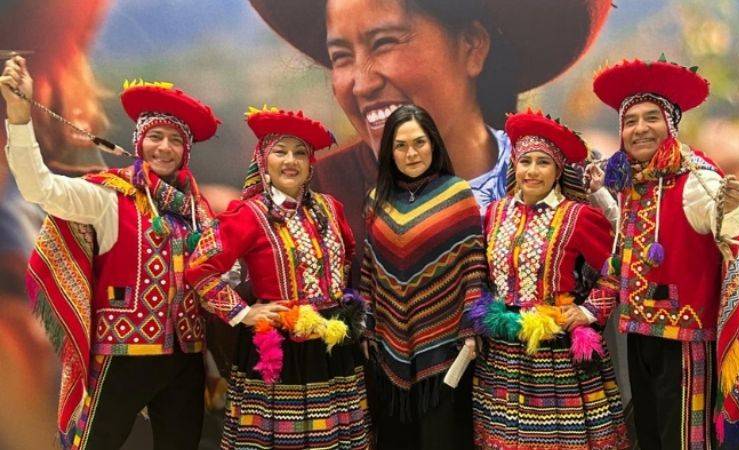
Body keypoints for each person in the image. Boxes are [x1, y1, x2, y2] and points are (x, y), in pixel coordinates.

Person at [250, 0, 613, 280]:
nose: (361, 84)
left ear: (472, 46)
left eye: (384, 43)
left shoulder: (572, 187)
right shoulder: (316, 199)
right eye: (341, 57)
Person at [2, 56, 220, 449]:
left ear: (185, 151)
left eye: (175, 140)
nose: (164, 148)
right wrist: (19, 118)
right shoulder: (108, 196)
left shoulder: (197, 210)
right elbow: (39, 188)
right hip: (122, 353)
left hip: (186, 356)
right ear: (139, 142)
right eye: (156, 136)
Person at [590, 57, 739, 449]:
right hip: (639, 333)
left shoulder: (695, 178)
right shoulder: (634, 183)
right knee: (648, 433)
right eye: (630, 121)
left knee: (683, 439)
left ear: (671, 125)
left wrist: (729, 206)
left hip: (684, 340)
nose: (640, 128)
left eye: (651, 118)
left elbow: (727, 220)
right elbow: (626, 240)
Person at [185, 106, 370, 449]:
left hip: (332, 344)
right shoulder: (247, 214)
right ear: (263, 160)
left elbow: (345, 259)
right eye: (280, 152)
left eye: (300, 153)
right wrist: (243, 312)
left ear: (310, 164)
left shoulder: (331, 208)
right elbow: (200, 269)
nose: (290, 161)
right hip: (280, 349)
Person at [470, 109, 628, 449]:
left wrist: (589, 311)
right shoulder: (495, 213)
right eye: (525, 161)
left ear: (558, 171)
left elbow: (618, 265)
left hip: (557, 354)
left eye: (543, 162)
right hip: (502, 352)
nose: (532, 171)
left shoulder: (578, 216)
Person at [359, 104, 486, 449]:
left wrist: (471, 328)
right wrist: (367, 326)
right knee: (397, 438)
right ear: (389, 151)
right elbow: (370, 268)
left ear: (433, 143)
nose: (411, 153)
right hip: (388, 347)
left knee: (442, 437)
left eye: (419, 142)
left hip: (447, 346)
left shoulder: (457, 194)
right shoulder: (376, 200)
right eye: (400, 145)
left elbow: (474, 264)